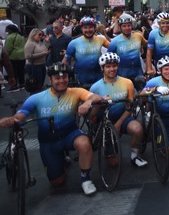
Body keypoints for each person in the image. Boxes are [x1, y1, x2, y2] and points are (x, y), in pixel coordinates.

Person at [0, 63, 102, 195]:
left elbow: (95, 97)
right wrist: (12, 119)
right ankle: (61, 159)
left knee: (84, 143)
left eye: (64, 77)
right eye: (57, 78)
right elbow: (22, 114)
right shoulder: (37, 98)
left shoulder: (76, 92)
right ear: (50, 79)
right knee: (57, 182)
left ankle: (86, 179)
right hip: (48, 142)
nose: (61, 81)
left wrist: (88, 102)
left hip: (70, 134)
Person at [89, 53, 148, 167]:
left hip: (122, 116)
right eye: (108, 66)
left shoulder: (127, 82)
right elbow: (92, 114)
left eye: (114, 66)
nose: (112, 69)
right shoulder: (95, 87)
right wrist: (97, 105)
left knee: (137, 129)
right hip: (104, 121)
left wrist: (119, 124)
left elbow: (129, 107)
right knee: (114, 163)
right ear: (102, 68)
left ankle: (134, 155)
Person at [63, 17, 110, 87]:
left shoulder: (101, 39)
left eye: (90, 27)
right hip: (81, 78)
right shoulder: (73, 43)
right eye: (85, 27)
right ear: (81, 29)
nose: (88, 30)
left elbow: (114, 47)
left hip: (98, 77)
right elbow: (65, 61)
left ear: (94, 28)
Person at [107, 13, 147, 80]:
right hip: (123, 73)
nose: (127, 28)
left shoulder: (138, 36)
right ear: (120, 27)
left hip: (138, 71)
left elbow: (148, 45)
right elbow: (108, 58)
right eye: (124, 26)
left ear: (132, 26)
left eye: (129, 25)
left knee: (142, 89)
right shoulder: (115, 41)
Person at [4, 24, 25, 89]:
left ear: (10, 29)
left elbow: (8, 48)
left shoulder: (10, 37)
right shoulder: (21, 36)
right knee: (21, 71)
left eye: (7, 29)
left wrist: (5, 57)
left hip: (13, 56)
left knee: (13, 71)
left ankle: (14, 85)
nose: (6, 30)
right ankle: (22, 83)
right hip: (22, 55)